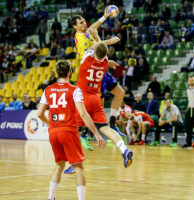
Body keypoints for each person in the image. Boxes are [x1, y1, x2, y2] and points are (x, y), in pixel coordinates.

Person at [37, 60, 106, 200]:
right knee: (79, 167)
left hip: (53, 131)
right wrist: (96, 133)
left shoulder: (48, 89)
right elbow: (83, 114)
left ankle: (50, 197)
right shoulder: (74, 90)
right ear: (69, 73)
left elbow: (39, 114)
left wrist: (52, 123)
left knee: (59, 164)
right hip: (68, 130)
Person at [65, 42, 133, 174]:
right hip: (96, 98)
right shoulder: (105, 63)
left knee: (75, 131)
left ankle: (75, 163)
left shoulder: (88, 58)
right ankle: (124, 150)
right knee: (105, 128)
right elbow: (102, 54)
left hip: (83, 97)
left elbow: (92, 46)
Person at [71, 14, 125, 147]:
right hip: (92, 69)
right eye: (81, 23)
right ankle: (83, 133)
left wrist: (105, 16)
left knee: (120, 93)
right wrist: (110, 41)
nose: (85, 24)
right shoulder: (81, 39)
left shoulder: (86, 31)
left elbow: (94, 27)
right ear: (75, 27)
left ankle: (112, 124)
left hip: (100, 65)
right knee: (95, 104)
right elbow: (96, 45)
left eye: (84, 21)